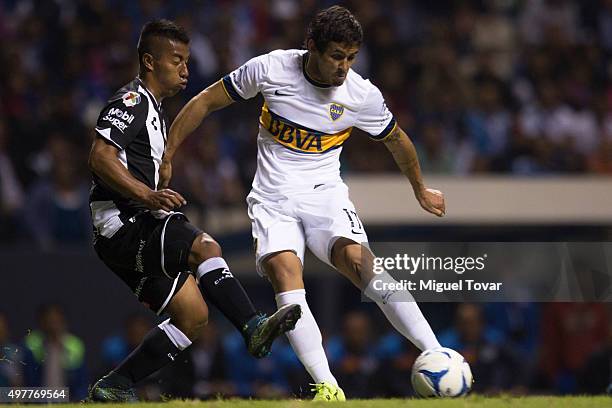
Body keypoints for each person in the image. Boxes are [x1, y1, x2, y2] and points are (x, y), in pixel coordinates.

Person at [162, 6, 443, 401]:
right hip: (273, 197)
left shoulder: (361, 94)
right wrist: (170, 153)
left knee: (362, 263)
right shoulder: (271, 69)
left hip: (325, 193)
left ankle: (436, 353)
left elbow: (396, 139)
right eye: (336, 56)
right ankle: (327, 385)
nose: (344, 67)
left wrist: (420, 188)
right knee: (285, 273)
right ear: (311, 46)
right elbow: (207, 101)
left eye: (350, 58)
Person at [87, 19, 301, 402]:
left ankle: (114, 386)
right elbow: (100, 157)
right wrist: (148, 195)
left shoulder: (155, 110)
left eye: (186, 60)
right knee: (205, 247)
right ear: (150, 62)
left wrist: (160, 169)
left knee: (193, 317)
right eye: (177, 60)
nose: (185, 68)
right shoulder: (131, 102)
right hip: (123, 223)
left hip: (124, 232)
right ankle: (252, 325)